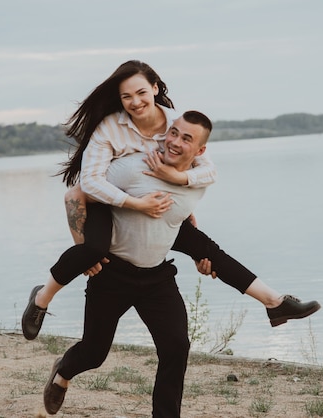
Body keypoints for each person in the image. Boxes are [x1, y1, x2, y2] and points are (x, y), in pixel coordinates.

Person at [22, 60, 320, 342]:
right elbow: (89, 183)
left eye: (141, 92)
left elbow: (206, 168)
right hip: (108, 200)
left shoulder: (173, 123)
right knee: (93, 251)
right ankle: (42, 298)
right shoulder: (110, 127)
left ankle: (274, 302)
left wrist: (178, 186)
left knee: (206, 249)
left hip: (156, 207)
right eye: (126, 96)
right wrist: (135, 203)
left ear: (155, 87)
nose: (135, 102)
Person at [43, 111, 212, 416]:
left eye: (186, 138)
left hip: (156, 277)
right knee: (93, 354)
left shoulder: (189, 167)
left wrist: (194, 237)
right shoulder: (127, 164)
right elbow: (77, 194)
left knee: (176, 347)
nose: (175, 141)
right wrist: (84, 250)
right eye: (175, 133)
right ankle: (62, 373)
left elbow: (176, 207)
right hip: (112, 275)